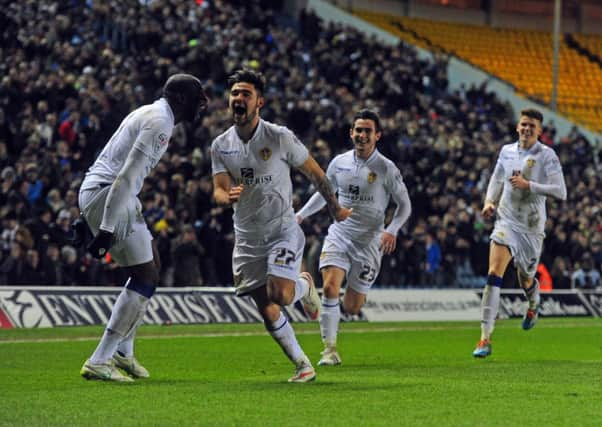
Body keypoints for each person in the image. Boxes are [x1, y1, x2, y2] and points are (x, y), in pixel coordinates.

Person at [211, 69, 351, 383]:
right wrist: (225, 196)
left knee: (282, 295)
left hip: (282, 229)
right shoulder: (220, 145)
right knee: (266, 306)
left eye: (246, 94)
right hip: (247, 236)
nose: (239, 99)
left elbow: (316, 174)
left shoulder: (278, 137)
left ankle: (304, 285)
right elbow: (219, 188)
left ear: (259, 102)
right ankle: (303, 365)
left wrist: (336, 208)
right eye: (235, 93)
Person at [78, 74, 208, 381]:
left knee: (152, 261)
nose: (200, 106)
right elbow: (126, 175)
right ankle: (101, 358)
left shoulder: (151, 113)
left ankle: (124, 351)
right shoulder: (160, 123)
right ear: (179, 99)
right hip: (109, 192)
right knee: (145, 274)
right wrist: (105, 226)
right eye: (195, 99)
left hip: (102, 191)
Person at [296, 109, 411, 366]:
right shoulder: (339, 163)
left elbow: (405, 205)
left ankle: (344, 303)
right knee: (329, 287)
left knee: (352, 307)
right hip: (341, 233)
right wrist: (301, 216)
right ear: (351, 133)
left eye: (367, 131)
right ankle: (329, 349)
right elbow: (325, 192)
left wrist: (391, 229)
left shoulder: (386, 168)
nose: (362, 135)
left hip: (370, 241)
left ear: (377, 135)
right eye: (358, 130)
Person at [473, 108, 567, 358]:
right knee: (494, 273)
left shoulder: (547, 156)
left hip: (532, 227)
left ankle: (534, 303)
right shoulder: (506, 151)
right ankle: (485, 338)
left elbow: (561, 191)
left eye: (532, 126)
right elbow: (496, 178)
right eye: (523, 124)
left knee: (525, 278)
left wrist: (530, 186)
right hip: (506, 221)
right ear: (517, 126)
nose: (526, 129)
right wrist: (489, 201)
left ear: (539, 131)